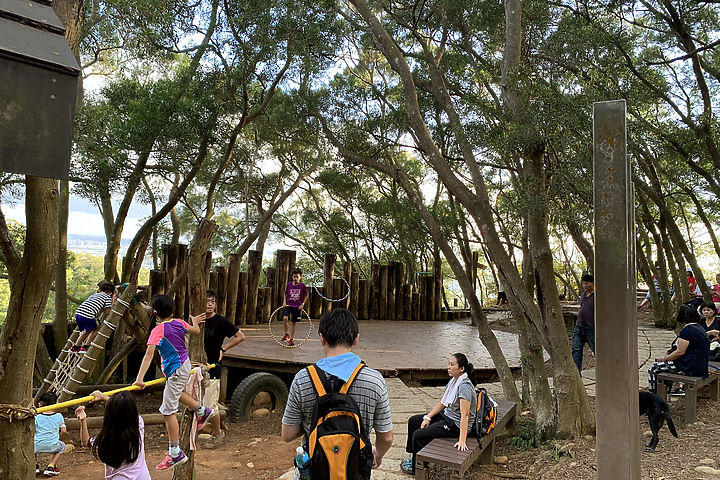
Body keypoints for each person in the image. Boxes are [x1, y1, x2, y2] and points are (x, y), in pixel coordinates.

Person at [282, 308, 393, 477]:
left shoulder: (302, 379)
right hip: (355, 471)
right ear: (356, 339)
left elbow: (287, 434)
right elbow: (386, 438)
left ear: (322, 338)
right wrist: (377, 454)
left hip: (313, 472)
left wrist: (309, 422)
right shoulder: (374, 380)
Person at [133, 294, 215, 470]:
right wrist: (193, 321)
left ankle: (175, 452)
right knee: (176, 394)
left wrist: (140, 379)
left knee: (167, 411)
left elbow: (148, 355)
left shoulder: (158, 330)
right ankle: (202, 411)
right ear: (172, 310)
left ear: (155, 313)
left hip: (177, 370)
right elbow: (196, 331)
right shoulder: (179, 322)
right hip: (183, 365)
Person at [401, 353, 477, 476]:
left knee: (419, 435)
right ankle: (414, 458)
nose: (448, 367)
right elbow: (443, 403)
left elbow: (465, 415)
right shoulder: (454, 381)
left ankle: (416, 468)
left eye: (452, 365)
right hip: (446, 417)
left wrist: (462, 440)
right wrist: (428, 417)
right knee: (414, 421)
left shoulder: (465, 387)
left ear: (461, 369)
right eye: (448, 363)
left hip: (455, 426)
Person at [202, 289, 245, 446]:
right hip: (197, 366)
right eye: (207, 301)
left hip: (213, 366)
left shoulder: (221, 321)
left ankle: (217, 434)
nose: (210, 304)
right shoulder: (197, 321)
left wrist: (224, 349)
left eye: (213, 301)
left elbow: (241, 336)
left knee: (209, 405)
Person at [75, 390, 151, 480]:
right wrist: (103, 397)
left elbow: (85, 442)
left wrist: (83, 420)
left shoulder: (105, 441)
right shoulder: (138, 426)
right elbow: (125, 410)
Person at [647, 320, 710, 394]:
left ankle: (653, 396)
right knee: (666, 368)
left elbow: (680, 352)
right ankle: (666, 395)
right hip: (700, 365)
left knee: (653, 368)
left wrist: (664, 359)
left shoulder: (687, 330)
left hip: (689, 367)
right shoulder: (698, 327)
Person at [71, 282, 115, 352]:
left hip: (78, 314)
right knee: (98, 327)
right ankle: (86, 346)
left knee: (88, 330)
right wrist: (112, 301)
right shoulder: (108, 297)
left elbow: (101, 309)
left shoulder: (95, 295)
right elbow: (107, 312)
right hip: (87, 316)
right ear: (110, 293)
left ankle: (76, 346)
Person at [35, 392, 67, 476]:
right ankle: (51, 465)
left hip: (36, 445)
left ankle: (34, 466)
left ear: (40, 405)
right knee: (62, 446)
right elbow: (64, 430)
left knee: (32, 445)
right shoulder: (59, 416)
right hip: (52, 444)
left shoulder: (36, 417)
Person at [571, 273, 595, 373]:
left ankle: (604, 370)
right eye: (584, 283)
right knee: (576, 349)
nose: (585, 286)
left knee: (596, 349)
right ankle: (576, 372)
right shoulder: (582, 295)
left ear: (593, 283)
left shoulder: (597, 296)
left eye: (588, 283)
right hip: (579, 326)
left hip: (591, 328)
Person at [282, 268, 308, 346]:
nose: (295, 278)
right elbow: (285, 294)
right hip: (289, 304)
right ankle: (286, 334)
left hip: (297, 306)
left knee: (293, 323)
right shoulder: (289, 284)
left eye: (297, 277)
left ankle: (291, 339)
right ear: (292, 277)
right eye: (294, 277)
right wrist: (284, 302)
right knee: (285, 318)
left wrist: (302, 304)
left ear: (300, 277)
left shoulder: (302, 286)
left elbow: (306, 295)